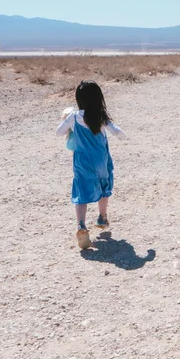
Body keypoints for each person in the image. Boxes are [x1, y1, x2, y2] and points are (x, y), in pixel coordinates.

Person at [56, 80, 126, 250]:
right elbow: (117, 132)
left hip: (82, 161)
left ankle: (81, 226)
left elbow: (58, 132)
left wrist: (70, 127)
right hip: (100, 160)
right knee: (103, 186)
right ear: (98, 98)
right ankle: (102, 217)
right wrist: (123, 136)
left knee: (81, 192)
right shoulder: (100, 116)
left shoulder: (73, 117)